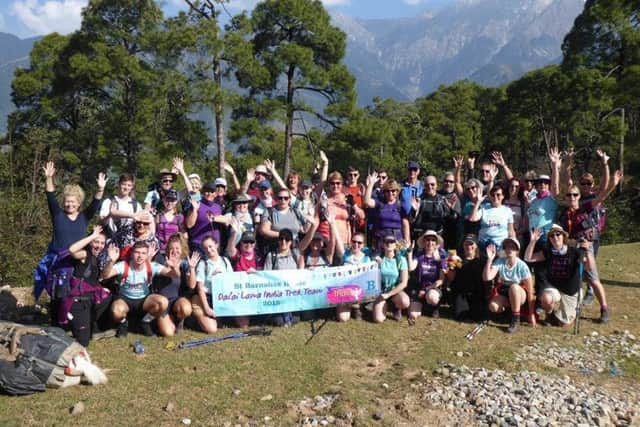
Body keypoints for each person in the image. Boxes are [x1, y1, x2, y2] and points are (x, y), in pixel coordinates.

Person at [35, 161, 106, 318]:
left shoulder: (84, 217)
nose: (69, 204)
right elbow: (50, 196)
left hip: (76, 260)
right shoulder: (58, 214)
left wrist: (100, 189)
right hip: (58, 260)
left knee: (73, 290)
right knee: (56, 291)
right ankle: (55, 320)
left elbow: (95, 204)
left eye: (73, 201)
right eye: (67, 201)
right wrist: (49, 178)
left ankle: (72, 318)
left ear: (79, 203)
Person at [101, 241, 179, 337]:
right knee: (116, 311)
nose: (140, 256)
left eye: (143, 253)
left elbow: (174, 275)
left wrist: (174, 267)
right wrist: (111, 261)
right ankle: (123, 324)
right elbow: (105, 276)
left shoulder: (152, 266)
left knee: (163, 302)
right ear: (132, 253)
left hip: (143, 300)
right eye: (137, 252)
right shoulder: (123, 265)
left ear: (147, 255)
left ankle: (145, 322)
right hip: (125, 299)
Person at [524, 225, 592, 326]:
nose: (555, 237)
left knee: (563, 323)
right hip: (554, 287)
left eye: (558, 234)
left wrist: (588, 252)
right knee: (546, 298)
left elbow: (588, 267)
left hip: (571, 290)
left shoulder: (574, 251)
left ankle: (574, 307)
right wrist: (533, 241)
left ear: (563, 236)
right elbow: (528, 258)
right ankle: (549, 315)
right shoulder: (548, 252)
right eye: (552, 236)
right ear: (549, 239)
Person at [63, 226, 113, 346]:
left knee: (109, 296)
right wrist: (92, 236)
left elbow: (104, 276)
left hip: (89, 300)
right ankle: (75, 325)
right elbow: (72, 250)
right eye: (96, 242)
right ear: (90, 242)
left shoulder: (96, 258)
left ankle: (91, 324)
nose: (99, 246)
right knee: (83, 342)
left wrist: (111, 260)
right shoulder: (85, 254)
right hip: (78, 302)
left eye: (102, 243)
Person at [483, 238, 536, 333]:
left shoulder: (522, 266)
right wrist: (489, 260)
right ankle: (508, 314)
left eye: (512, 247)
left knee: (514, 287)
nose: (509, 249)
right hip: (505, 292)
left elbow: (530, 290)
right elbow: (487, 277)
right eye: (507, 247)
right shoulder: (500, 261)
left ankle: (516, 319)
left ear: (517, 250)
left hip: (519, 294)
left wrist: (531, 314)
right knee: (493, 306)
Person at [153, 234, 200, 336]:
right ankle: (166, 318)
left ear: (182, 249)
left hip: (177, 301)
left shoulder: (185, 263)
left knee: (186, 309)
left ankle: (180, 320)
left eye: (177, 248)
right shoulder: (160, 258)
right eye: (171, 248)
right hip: (162, 302)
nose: (174, 251)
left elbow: (192, 285)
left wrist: (192, 269)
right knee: (168, 333)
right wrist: (171, 266)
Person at [189, 235, 233, 334]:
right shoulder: (203, 264)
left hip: (222, 297)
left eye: (210, 246)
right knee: (212, 329)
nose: (208, 250)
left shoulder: (225, 261)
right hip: (206, 298)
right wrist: (206, 308)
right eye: (205, 248)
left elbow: (232, 280)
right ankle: (196, 318)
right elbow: (200, 288)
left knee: (242, 323)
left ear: (216, 245)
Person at [264, 228, 304, 327]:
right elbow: (265, 276)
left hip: (292, 294)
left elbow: (302, 274)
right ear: (278, 240)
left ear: (291, 241)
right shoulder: (271, 256)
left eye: (287, 239)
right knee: (279, 322)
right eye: (281, 239)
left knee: (296, 318)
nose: (283, 242)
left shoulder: (296, 254)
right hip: (277, 294)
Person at [364, 172, 410, 251]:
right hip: (381, 239)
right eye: (387, 191)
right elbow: (367, 201)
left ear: (397, 191)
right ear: (384, 192)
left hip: (397, 239)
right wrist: (371, 184)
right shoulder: (380, 203)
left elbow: (405, 224)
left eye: (393, 191)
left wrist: (407, 241)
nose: (390, 193)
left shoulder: (400, 206)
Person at [226, 230, 263, 328]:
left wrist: (256, 273)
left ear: (255, 244)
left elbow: (264, 277)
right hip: (239, 293)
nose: (248, 244)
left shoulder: (258, 257)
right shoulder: (238, 255)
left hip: (254, 292)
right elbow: (230, 249)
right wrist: (234, 232)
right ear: (241, 243)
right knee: (244, 325)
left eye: (251, 242)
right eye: (245, 242)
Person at [407, 230, 447, 321]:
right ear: (424, 242)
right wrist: (409, 253)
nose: (430, 242)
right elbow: (411, 268)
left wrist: (426, 290)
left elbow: (441, 280)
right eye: (428, 239)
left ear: (437, 243)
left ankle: (433, 307)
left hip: (433, 289)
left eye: (433, 240)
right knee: (413, 314)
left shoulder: (440, 257)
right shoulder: (419, 255)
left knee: (432, 297)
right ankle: (424, 305)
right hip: (419, 288)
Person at [446, 234, 487, 321]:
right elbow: (451, 278)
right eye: (466, 244)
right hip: (461, 293)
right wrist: (451, 266)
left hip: (476, 293)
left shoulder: (482, 259)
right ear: (463, 245)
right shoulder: (457, 258)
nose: (469, 246)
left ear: (476, 245)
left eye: (471, 244)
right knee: (460, 315)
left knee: (479, 316)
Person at [372, 234, 410, 323]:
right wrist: (377, 265)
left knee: (405, 302)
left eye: (392, 242)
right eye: (386, 242)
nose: (389, 244)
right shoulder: (377, 259)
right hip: (381, 292)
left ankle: (396, 307)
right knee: (378, 319)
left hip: (395, 291)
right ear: (382, 244)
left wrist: (388, 294)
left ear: (395, 244)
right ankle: (384, 305)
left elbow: (404, 283)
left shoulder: (401, 259)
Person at [100, 172, 144, 249]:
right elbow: (102, 222)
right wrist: (110, 214)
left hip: (130, 246)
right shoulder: (109, 202)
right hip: (111, 244)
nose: (126, 188)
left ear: (132, 187)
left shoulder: (136, 205)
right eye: (124, 184)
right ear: (119, 184)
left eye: (129, 185)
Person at [334, 231, 372, 321]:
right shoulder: (345, 254)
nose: (356, 244)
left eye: (359, 243)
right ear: (351, 242)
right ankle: (351, 306)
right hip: (344, 290)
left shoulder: (367, 259)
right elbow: (338, 240)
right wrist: (332, 223)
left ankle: (358, 306)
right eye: (354, 241)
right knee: (343, 318)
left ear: (363, 245)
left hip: (359, 291)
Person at [259, 188, 309, 254]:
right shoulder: (269, 211)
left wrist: (309, 221)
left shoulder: (295, 211)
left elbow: (303, 230)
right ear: (276, 199)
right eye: (280, 198)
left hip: (294, 249)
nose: (283, 200)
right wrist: (284, 235)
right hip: (276, 249)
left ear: (289, 199)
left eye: (286, 198)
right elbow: (264, 230)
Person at [410, 175, 458, 243]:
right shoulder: (419, 200)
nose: (430, 187)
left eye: (432, 184)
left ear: (436, 185)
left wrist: (451, 210)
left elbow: (451, 221)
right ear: (424, 186)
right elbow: (411, 220)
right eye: (427, 185)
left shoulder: (442, 200)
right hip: (422, 238)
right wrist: (414, 210)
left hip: (438, 237)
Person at [469, 185, 515, 252]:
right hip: (484, 244)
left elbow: (511, 230)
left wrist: (513, 245)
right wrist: (478, 202)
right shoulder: (483, 208)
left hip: (501, 245)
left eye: (498, 195)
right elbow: (472, 219)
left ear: (503, 196)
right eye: (493, 195)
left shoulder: (507, 210)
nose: (495, 197)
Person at [185, 181, 225, 255]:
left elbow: (226, 220)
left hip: (214, 245)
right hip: (199, 244)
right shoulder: (197, 204)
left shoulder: (218, 207)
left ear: (215, 194)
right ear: (203, 192)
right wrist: (194, 210)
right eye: (207, 191)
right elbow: (189, 225)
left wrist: (214, 218)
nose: (209, 194)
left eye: (212, 191)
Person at [155, 189, 185, 254]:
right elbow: (155, 233)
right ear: (163, 200)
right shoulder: (158, 216)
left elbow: (183, 234)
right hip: (160, 250)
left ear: (176, 201)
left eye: (172, 200)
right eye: (167, 200)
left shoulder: (179, 217)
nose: (169, 203)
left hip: (175, 250)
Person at [503, 177, 527, 251]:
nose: (514, 188)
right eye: (511, 186)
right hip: (502, 235)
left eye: (516, 187)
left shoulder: (523, 204)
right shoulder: (502, 202)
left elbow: (525, 226)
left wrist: (514, 234)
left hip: (518, 236)